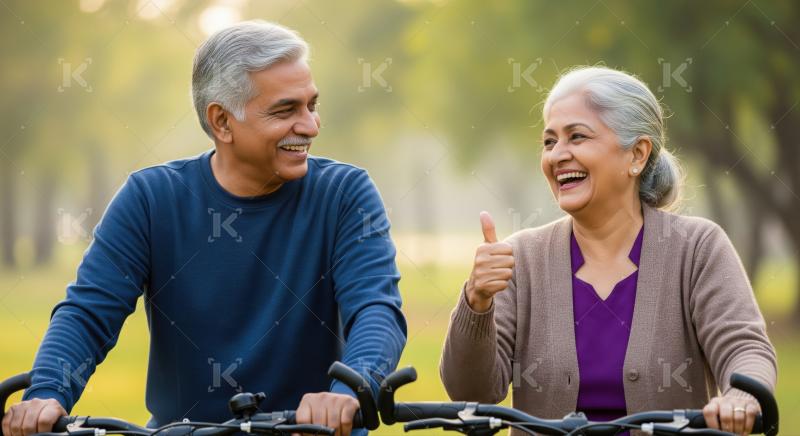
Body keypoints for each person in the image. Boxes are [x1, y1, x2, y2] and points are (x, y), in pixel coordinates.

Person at [2, 20, 406, 436]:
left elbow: (376, 309)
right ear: (222, 122)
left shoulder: (345, 193)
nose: (310, 126)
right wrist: (46, 393)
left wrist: (349, 389)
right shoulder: (150, 198)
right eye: (286, 110)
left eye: (312, 105)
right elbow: (88, 313)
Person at [440, 66, 776, 436]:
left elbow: (745, 348)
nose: (557, 155)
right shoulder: (521, 258)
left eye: (577, 137)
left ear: (637, 155)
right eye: (550, 142)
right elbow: (471, 392)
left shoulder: (696, 248)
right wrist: (477, 300)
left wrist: (742, 396)